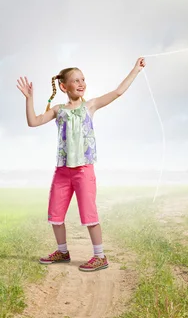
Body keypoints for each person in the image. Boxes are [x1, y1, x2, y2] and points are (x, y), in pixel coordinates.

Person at [16, 57, 146, 272]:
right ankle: (62, 251)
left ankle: (100, 256)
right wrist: (29, 98)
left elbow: (117, 92)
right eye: (76, 80)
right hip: (63, 171)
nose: (81, 83)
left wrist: (135, 70)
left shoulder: (90, 105)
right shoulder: (59, 110)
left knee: (89, 214)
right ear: (63, 86)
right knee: (55, 216)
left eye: (83, 79)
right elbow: (33, 121)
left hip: (84, 170)